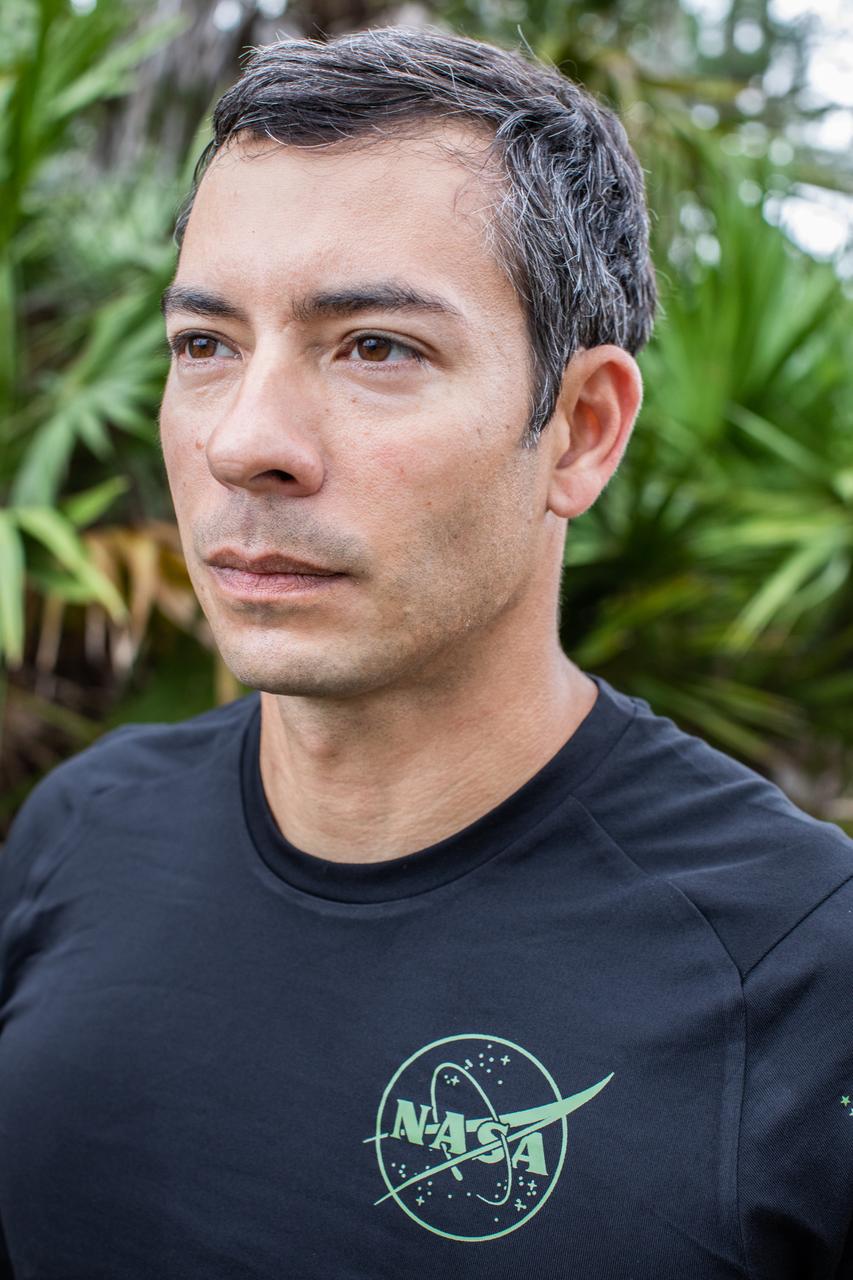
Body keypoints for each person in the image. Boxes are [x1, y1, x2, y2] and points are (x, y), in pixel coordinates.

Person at [1, 26, 851, 1280]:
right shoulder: (79, 832)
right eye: (207, 345)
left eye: (376, 347)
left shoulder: (796, 971)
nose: (247, 440)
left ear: (579, 431)